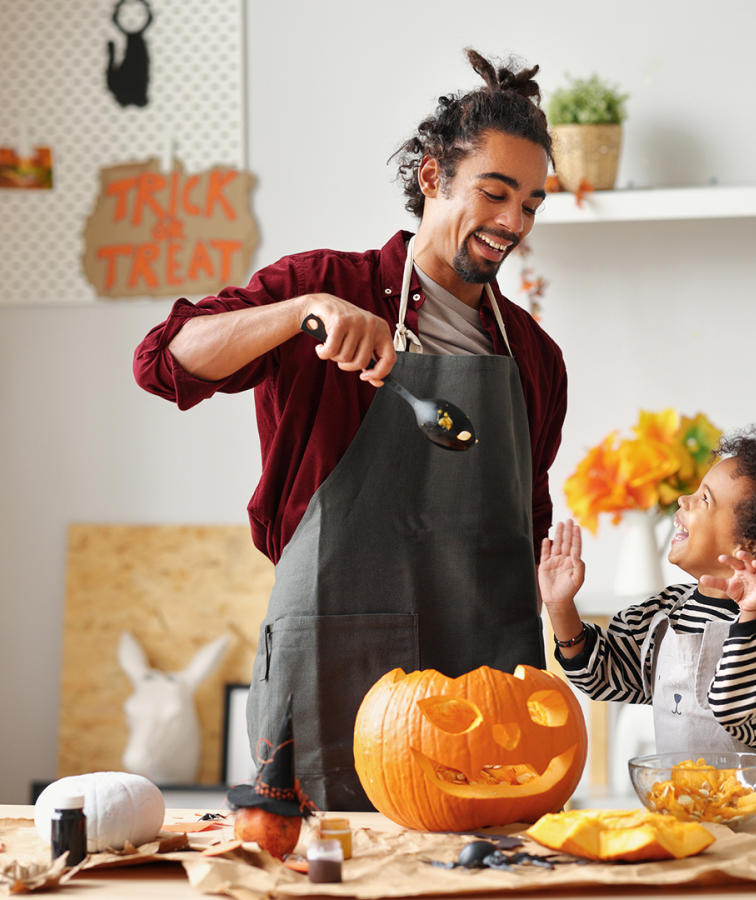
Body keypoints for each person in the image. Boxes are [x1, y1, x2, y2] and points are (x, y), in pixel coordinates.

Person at [133, 49, 566, 810]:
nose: (512, 223)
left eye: (530, 204)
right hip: (333, 666)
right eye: (495, 194)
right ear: (432, 177)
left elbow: (527, 523)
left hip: (485, 682)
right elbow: (164, 362)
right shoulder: (323, 287)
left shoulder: (532, 357)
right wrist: (305, 315)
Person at [538, 426, 756, 816]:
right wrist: (561, 608)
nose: (682, 499)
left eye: (703, 499)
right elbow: (604, 675)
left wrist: (749, 614)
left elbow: (731, 705)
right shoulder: (665, 611)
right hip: (683, 810)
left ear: (747, 546)